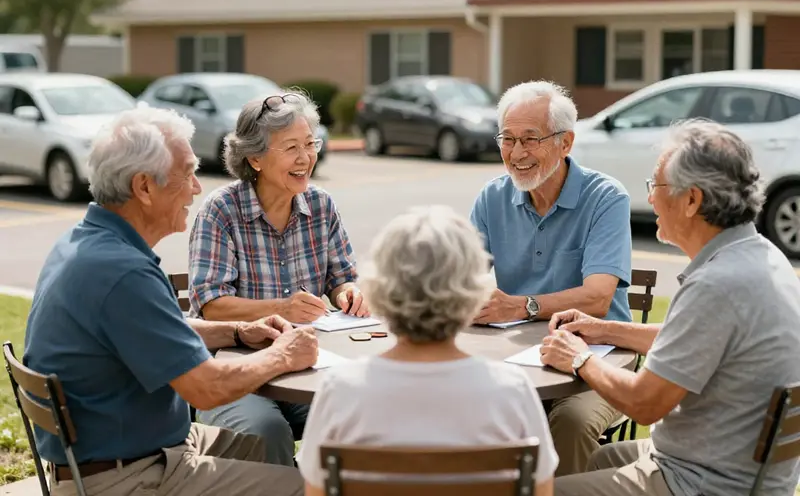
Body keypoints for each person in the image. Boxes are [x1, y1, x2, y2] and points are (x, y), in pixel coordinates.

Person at [23, 106, 320, 496]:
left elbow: (155, 330)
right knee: (316, 487)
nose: (197, 188)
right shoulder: (122, 273)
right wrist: (284, 354)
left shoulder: (88, 243)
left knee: (266, 444)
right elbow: (207, 389)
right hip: (129, 474)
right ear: (144, 187)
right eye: (188, 173)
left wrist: (236, 331)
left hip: (127, 451)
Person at [543, 119, 800, 496]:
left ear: (692, 199)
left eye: (656, 186)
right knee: (601, 459)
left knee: (541, 491)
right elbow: (694, 340)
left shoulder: (718, 283)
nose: (650, 197)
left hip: (705, 483)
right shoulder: (759, 258)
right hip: (734, 467)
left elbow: (643, 404)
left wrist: (580, 358)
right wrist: (604, 329)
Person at [296, 204, 559, 496]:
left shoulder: (341, 389)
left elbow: (316, 491)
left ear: (380, 289)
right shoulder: (512, 390)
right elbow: (541, 490)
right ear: (472, 293)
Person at [187, 90, 366, 466]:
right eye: (290, 148)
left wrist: (349, 292)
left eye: (310, 144)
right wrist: (282, 307)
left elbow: (343, 278)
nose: (306, 158)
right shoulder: (221, 211)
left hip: (310, 367)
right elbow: (210, 306)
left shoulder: (321, 205)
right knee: (266, 432)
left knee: (363, 417)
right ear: (254, 158)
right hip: (237, 375)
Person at [470, 80, 632, 476]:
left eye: (531, 139)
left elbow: (597, 298)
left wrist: (521, 306)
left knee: (572, 423)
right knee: (464, 412)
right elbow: (460, 278)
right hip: (513, 363)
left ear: (566, 142)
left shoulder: (606, 198)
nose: (517, 153)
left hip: (598, 361)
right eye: (508, 139)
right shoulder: (492, 197)